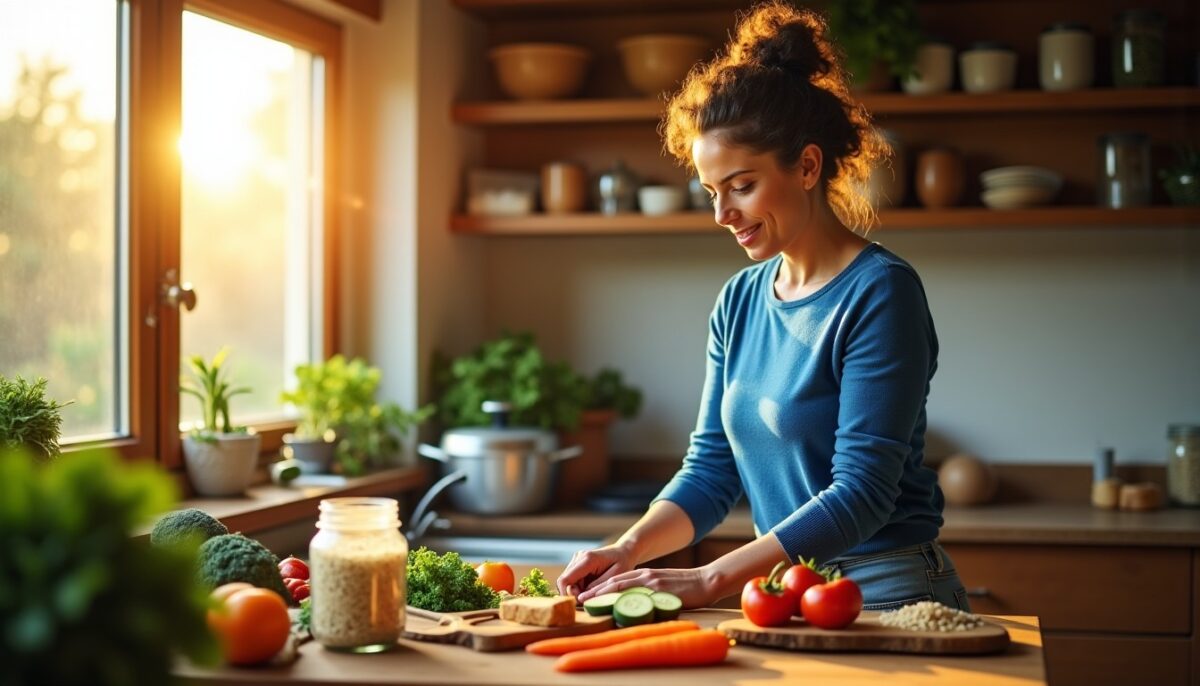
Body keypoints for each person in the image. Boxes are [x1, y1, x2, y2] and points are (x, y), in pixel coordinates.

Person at [557, 1, 969, 612]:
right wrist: (628, 548)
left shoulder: (881, 292)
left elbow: (861, 493)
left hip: (886, 589)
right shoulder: (740, 300)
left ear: (806, 165)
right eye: (712, 193)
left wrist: (706, 580)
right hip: (782, 594)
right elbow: (711, 470)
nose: (723, 216)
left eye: (742, 186)